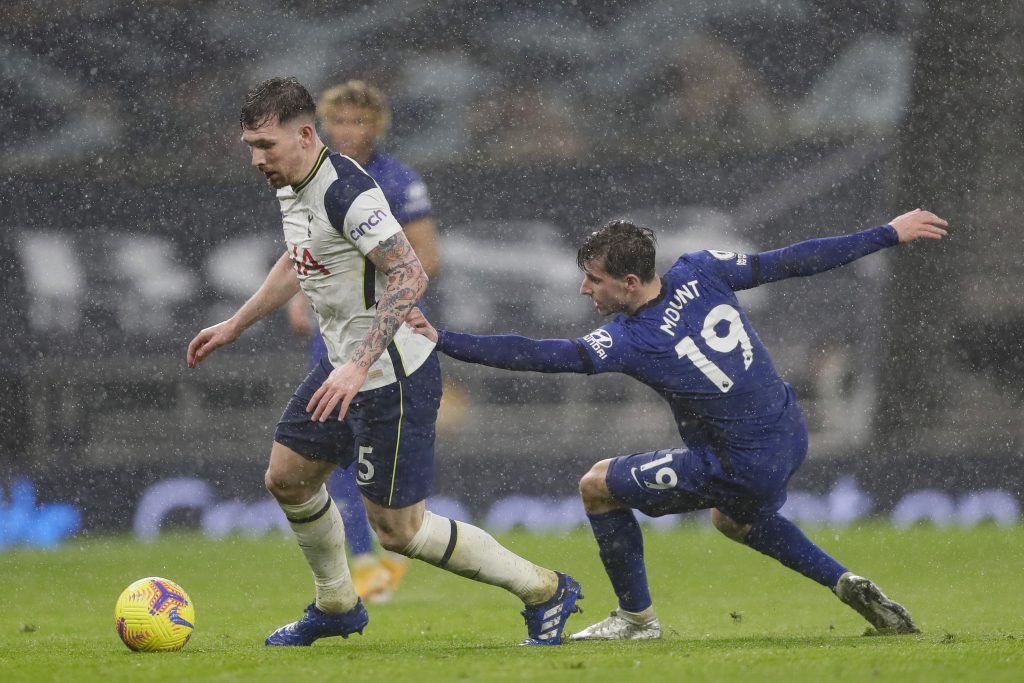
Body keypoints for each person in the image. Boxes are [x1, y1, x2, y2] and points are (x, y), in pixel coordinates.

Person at [407, 209, 948, 640]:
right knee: (733, 519)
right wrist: (887, 233)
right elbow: (793, 261)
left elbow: (538, 355)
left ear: (630, 282)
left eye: (593, 280)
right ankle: (843, 580)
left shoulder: (630, 339)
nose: (584, 290)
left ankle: (636, 621)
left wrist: (444, 339)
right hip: (789, 433)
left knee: (597, 486)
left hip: (740, 462)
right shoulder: (702, 268)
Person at [186, 77, 582, 647]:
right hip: (342, 368)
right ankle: (337, 606)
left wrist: (357, 364)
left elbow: (411, 272)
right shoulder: (292, 183)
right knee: (288, 479)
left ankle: (545, 589)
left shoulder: (347, 192)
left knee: (399, 531)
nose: (256, 159)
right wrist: (236, 324)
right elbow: (298, 259)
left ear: (304, 135)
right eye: (250, 146)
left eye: (265, 146)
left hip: (391, 376)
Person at [286, 80, 440, 604]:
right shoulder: (313, 177)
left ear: (377, 126)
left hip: (385, 335)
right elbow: (309, 250)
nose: (349, 130)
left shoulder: (397, 181)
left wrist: (381, 299)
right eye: (339, 120)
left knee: (382, 447)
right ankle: (363, 560)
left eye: (359, 120)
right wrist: (302, 295)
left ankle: (397, 540)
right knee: (336, 450)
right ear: (322, 126)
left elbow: (425, 257)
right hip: (334, 341)